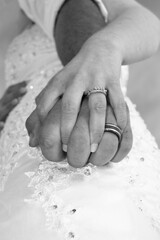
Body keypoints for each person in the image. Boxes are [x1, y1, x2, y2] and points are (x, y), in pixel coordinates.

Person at [0, 0, 160, 239]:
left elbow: (146, 23)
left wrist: (100, 52)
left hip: (80, 119)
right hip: (21, 135)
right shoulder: (13, 20)